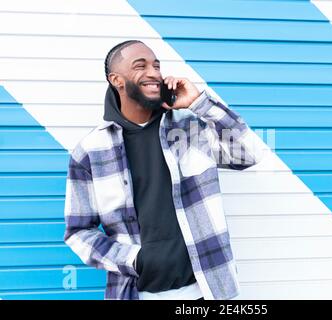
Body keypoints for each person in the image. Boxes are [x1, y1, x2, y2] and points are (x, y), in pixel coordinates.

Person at [63, 40, 263, 300]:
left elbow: (249, 153)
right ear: (117, 80)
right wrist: (135, 260)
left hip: (208, 290)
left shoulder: (190, 129)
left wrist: (200, 103)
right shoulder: (90, 151)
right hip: (136, 293)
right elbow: (78, 232)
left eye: (157, 66)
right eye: (140, 65)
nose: (154, 73)